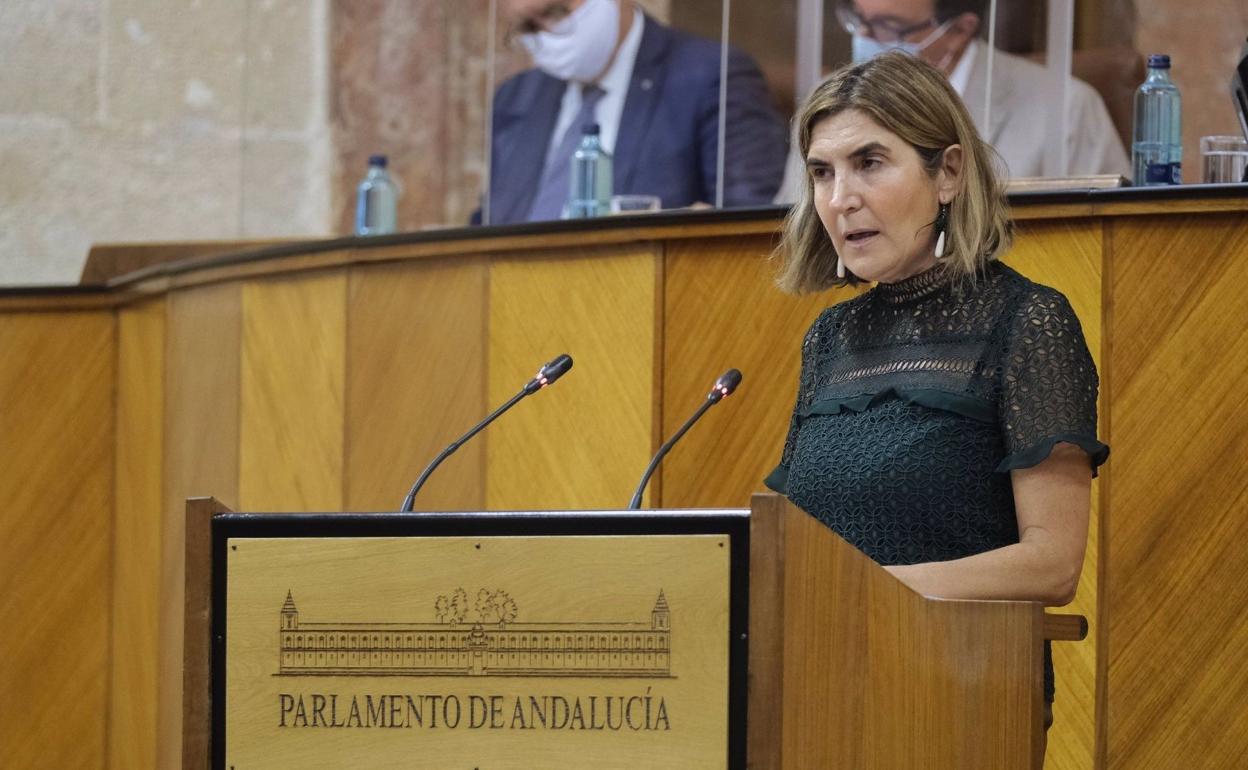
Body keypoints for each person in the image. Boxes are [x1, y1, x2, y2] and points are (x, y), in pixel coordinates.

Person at [766, 50, 1107, 734]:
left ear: (947, 173)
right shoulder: (831, 337)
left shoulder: (1026, 321)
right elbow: (798, 541)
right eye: (822, 172)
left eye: (870, 162)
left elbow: (1051, 564)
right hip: (819, 688)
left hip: (959, 690)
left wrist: (869, 593)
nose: (840, 198)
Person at [777, 0, 1130, 202]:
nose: (864, 38)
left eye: (887, 26)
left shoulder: (1067, 108)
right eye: (857, 21)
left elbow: (1105, 237)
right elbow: (791, 225)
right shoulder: (827, 103)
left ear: (959, 30)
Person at [482, 0, 788, 225]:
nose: (548, 34)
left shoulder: (714, 76)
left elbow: (747, 225)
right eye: (529, 27)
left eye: (557, 12)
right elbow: (487, 224)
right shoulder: (516, 97)